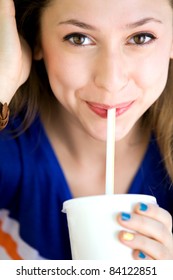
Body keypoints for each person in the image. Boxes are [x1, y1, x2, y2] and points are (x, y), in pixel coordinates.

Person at [0, 0, 173, 260]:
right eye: (79, 38)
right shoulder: (10, 150)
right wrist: (2, 82)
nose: (111, 81)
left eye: (141, 37)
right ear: (38, 40)